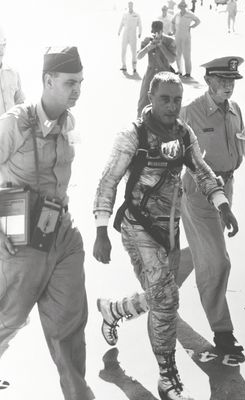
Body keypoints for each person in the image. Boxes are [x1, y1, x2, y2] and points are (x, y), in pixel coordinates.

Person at [95, 57, 245, 365]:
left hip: (223, 192)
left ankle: (121, 308)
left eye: (233, 80)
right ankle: (224, 335)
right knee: (217, 263)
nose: (230, 85)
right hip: (196, 196)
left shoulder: (234, 111)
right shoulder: (189, 112)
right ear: (210, 82)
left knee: (196, 259)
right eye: (224, 81)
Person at [93, 71, 238, 400]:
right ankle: (167, 375)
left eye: (177, 100)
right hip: (137, 227)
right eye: (164, 99)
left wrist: (221, 202)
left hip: (168, 231)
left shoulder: (184, 135)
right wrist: (101, 229)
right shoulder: (132, 136)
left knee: (161, 295)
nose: (172, 106)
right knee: (168, 299)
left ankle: (114, 310)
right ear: (151, 99)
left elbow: (200, 169)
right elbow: (107, 182)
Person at [0, 47, 94, 400]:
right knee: (7, 319)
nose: (77, 90)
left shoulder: (69, 122)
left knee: (69, 329)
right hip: (18, 231)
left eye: (81, 83)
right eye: (70, 82)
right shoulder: (15, 122)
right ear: (47, 80)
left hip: (61, 231)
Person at [137, 20, 176, 117]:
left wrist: (161, 45)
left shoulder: (170, 41)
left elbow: (172, 60)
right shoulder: (147, 40)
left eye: (158, 32)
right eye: (154, 32)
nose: (156, 34)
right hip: (150, 75)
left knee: (166, 102)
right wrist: (148, 47)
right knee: (143, 102)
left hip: (165, 76)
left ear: (162, 30)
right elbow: (138, 56)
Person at [172, 1, 200, 78]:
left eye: (183, 6)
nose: (182, 7)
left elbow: (198, 21)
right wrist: (173, 31)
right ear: (179, 7)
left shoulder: (190, 14)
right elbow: (172, 22)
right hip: (178, 36)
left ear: (185, 6)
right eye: (181, 6)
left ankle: (188, 73)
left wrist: (192, 26)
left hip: (186, 36)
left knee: (186, 55)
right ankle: (180, 71)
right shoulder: (177, 14)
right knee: (178, 54)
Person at [0, 27, 25, 116]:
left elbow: (20, 103)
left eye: (3, 45)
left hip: (12, 128)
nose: (1, 50)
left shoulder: (13, 73)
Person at [118, 1, 142, 73]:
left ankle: (134, 67)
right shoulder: (125, 14)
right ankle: (123, 65)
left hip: (133, 35)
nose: (130, 6)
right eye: (129, 5)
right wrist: (119, 31)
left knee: (134, 51)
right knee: (123, 50)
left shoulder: (137, 15)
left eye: (131, 5)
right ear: (128, 6)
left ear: (133, 5)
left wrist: (140, 32)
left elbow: (140, 24)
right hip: (125, 34)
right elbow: (121, 23)